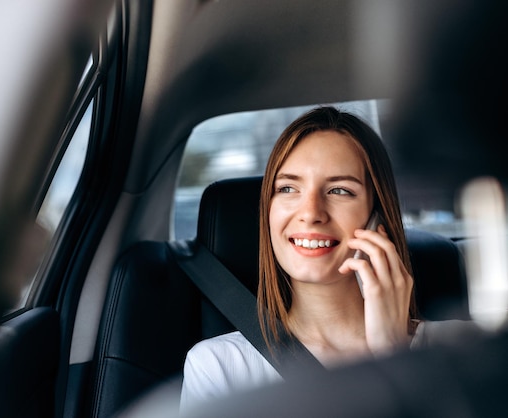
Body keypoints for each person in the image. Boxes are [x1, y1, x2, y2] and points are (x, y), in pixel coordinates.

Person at [179, 106, 481, 414]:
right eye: (287, 188)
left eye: (339, 190)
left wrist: (393, 358)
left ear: (378, 216)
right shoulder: (219, 368)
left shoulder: (464, 348)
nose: (311, 213)